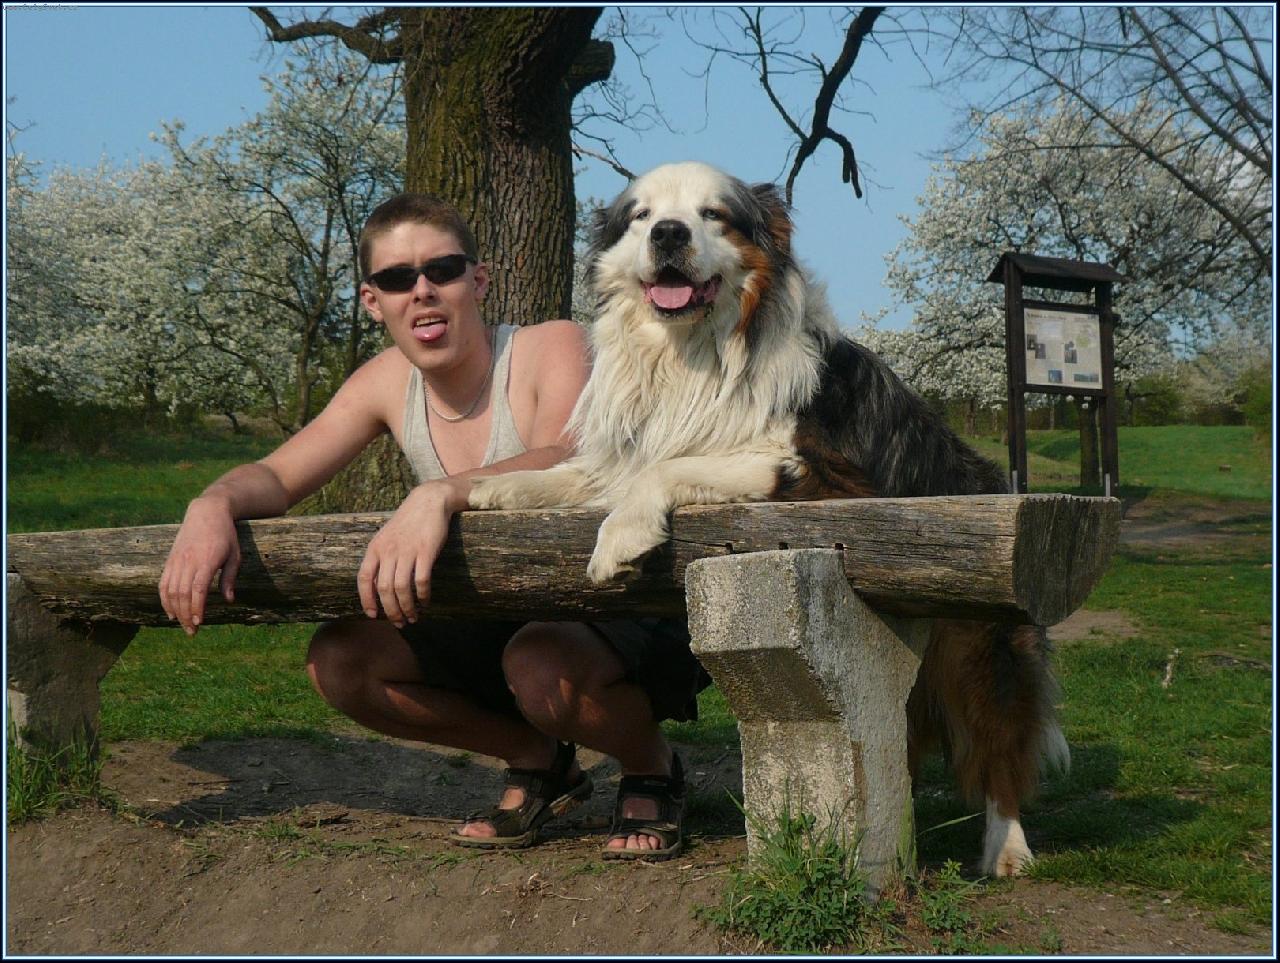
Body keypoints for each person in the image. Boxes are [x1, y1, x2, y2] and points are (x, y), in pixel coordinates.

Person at [159, 194, 706, 859]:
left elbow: (569, 459)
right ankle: (539, 758)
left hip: (616, 592)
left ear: (478, 280)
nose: (421, 291)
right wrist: (211, 503)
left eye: (442, 270)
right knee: (341, 661)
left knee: (540, 664)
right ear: (372, 301)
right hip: (502, 605)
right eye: (397, 278)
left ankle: (651, 765)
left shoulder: (551, 344)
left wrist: (441, 493)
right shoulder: (382, 382)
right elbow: (277, 476)